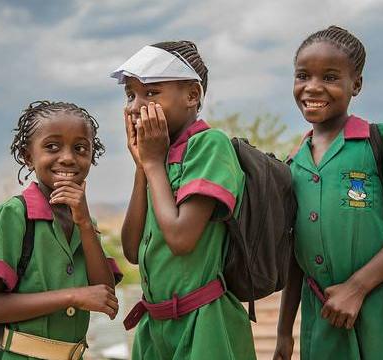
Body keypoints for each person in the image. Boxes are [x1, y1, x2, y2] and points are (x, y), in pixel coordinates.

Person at [274, 26, 383, 360]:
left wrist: (356, 288)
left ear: (356, 84)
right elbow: (294, 255)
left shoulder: (380, 141)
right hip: (323, 318)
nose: (313, 87)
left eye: (330, 77)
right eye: (303, 75)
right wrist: (283, 332)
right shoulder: (292, 164)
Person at [114, 41, 256, 359]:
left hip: (204, 325)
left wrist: (152, 164)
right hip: (155, 329)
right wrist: (142, 167)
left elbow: (180, 239)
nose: (136, 106)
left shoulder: (209, 145)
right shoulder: (157, 158)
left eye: (151, 93)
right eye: (131, 95)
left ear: (192, 95)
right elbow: (133, 250)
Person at [0, 100, 120, 359]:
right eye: (52, 146)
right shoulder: (14, 215)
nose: (67, 158)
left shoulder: (85, 222)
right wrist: (72, 296)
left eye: (81, 149)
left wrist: (84, 224)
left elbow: (104, 293)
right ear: (29, 157)